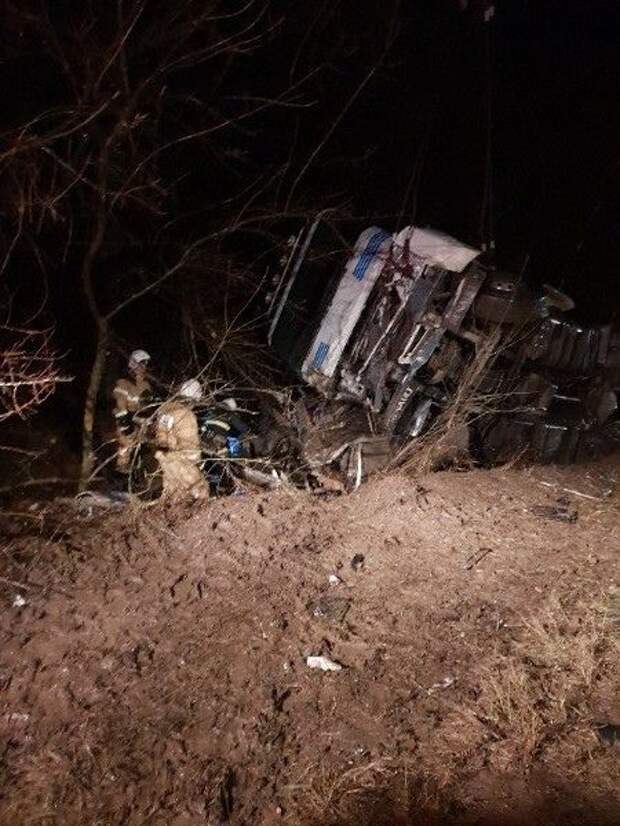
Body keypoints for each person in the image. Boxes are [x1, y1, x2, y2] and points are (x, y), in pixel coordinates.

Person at [154, 379, 209, 500]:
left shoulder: (165, 408)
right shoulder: (186, 414)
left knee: (171, 493)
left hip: (163, 457)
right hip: (180, 460)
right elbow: (189, 444)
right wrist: (197, 464)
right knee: (201, 492)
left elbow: (159, 433)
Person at [112, 349, 153, 473]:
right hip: (128, 420)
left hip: (143, 421)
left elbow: (149, 405)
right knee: (126, 442)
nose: (144, 367)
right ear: (134, 364)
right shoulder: (124, 383)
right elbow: (120, 405)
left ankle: (144, 470)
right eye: (142, 363)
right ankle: (122, 467)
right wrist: (125, 424)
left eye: (146, 364)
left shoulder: (146, 385)